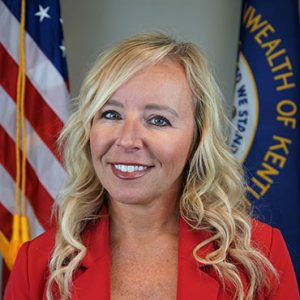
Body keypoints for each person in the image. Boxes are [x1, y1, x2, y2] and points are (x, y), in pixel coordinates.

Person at [4, 33, 299, 300]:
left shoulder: (260, 255)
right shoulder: (38, 264)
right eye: (110, 114)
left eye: (158, 120)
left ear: (197, 139)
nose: (127, 139)